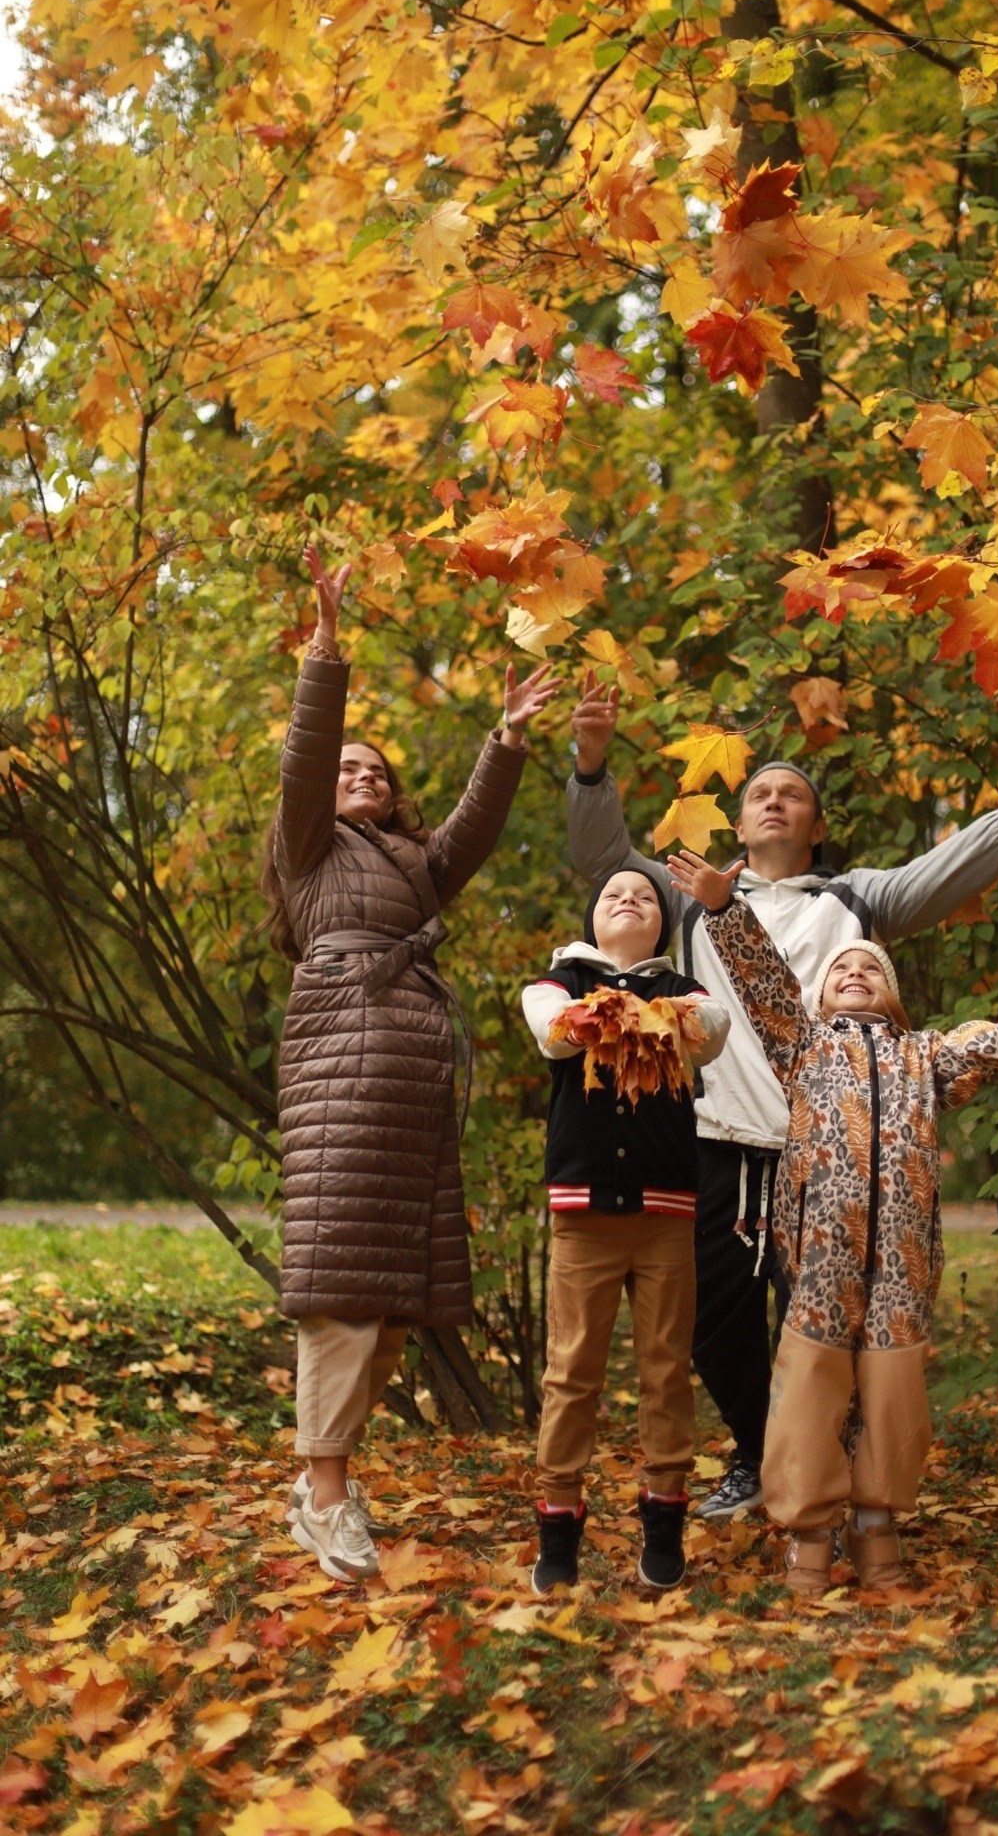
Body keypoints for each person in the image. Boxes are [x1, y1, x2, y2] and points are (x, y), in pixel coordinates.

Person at [567, 673, 998, 1517]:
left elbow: (938, 874)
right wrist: (591, 766)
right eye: (759, 794)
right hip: (716, 1137)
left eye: (792, 795)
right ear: (738, 824)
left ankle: (827, 1478)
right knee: (709, 1317)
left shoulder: (855, 899)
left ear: (816, 827)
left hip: (829, 1152)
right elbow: (606, 866)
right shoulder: (690, 896)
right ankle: (762, 1456)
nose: (774, 802)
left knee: (819, 1324)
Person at [667, 850, 998, 1594]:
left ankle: (877, 1526)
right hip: (821, 1256)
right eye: (842, 968)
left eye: (873, 968)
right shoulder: (801, 1046)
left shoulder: (925, 1057)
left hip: (903, 1261)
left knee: (893, 1397)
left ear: (893, 996)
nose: (856, 972)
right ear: (820, 993)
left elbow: (993, 1039)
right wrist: (724, 910)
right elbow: (763, 978)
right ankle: (809, 1535)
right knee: (810, 1390)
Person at [263, 547, 559, 1583]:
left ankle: (324, 1481)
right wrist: (326, 649)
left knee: (390, 1297)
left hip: (408, 1084)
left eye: (378, 773)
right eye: (350, 769)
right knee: (345, 1287)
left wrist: (505, 739)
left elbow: (469, 834)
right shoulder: (307, 849)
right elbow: (304, 760)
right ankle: (324, 1492)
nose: (363, 777)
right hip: (343, 1064)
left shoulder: (410, 867)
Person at [521, 867, 730, 1594]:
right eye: (614, 894)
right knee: (571, 1371)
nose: (629, 901)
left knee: (666, 1369)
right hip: (583, 1214)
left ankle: (663, 1516)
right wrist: (630, 1018)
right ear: (593, 916)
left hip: (666, 1211)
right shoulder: (557, 981)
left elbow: (709, 1033)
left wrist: (622, 1016)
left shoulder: (686, 988)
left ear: (663, 922)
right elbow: (555, 1036)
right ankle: (558, 1525)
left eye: (644, 896)